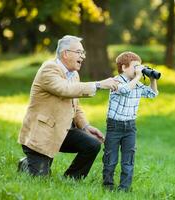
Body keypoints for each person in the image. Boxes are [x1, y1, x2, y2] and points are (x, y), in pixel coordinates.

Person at [17, 35, 119, 179]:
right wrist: (98, 84)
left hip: (62, 131)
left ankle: (71, 179)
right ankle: (26, 164)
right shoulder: (49, 69)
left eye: (83, 53)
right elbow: (64, 89)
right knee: (40, 180)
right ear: (65, 53)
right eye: (79, 52)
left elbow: (75, 106)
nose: (82, 56)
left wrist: (85, 126)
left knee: (92, 144)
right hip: (41, 135)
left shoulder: (74, 75)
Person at [102, 51, 159, 191]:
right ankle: (108, 185)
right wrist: (139, 76)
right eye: (135, 66)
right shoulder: (115, 81)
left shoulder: (138, 84)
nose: (138, 69)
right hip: (114, 126)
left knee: (128, 159)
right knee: (111, 159)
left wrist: (152, 78)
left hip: (130, 127)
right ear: (123, 67)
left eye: (139, 66)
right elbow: (125, 90)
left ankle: (124, 188)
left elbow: (152, 94)